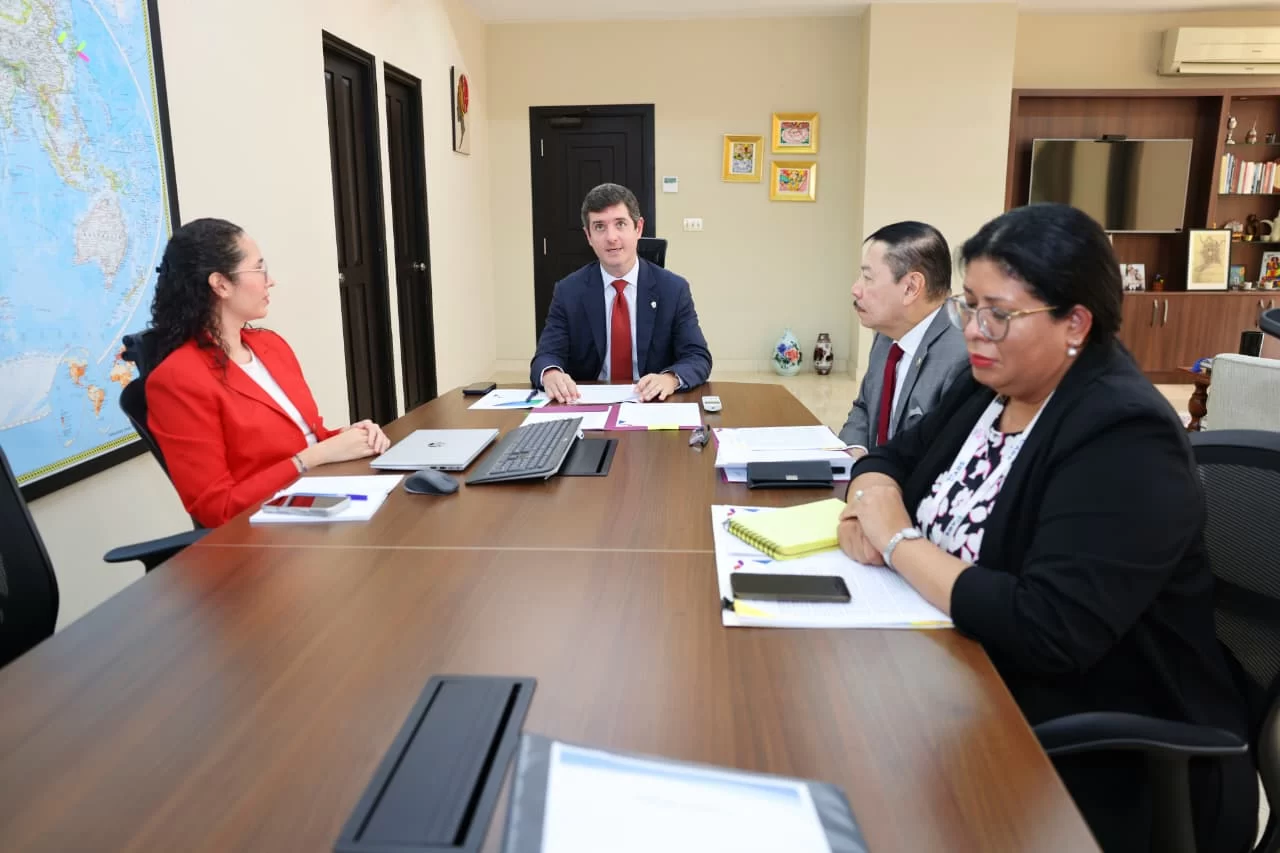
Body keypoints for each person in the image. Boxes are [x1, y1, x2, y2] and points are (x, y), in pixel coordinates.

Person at [836, 204, 1257, 852]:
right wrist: (866, 497)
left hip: (1096, 757)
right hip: (958, 680)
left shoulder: (1124, 434)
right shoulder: (990, 385)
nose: (973, 330)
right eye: (970, 306)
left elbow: (1045, 627)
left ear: (1075, 324)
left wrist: (896, 540)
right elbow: (890, 457)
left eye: (998, 313)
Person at [146, 218, 390, 528]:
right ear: (221, 284)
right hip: (264, 533)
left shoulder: (271, 346)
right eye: (259, 269)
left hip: (318, 501)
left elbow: (306, 438)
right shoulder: (178, 379)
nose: (270, 281)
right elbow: (217, 508)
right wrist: (313, 457)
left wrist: (350, 437)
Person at [530, 183, 712, 402]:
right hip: (589, 403)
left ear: (638, 228)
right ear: (588, 236)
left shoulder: (673, 289)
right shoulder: (568, 291)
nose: (611, 237)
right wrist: (550, 373)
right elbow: (546, 356)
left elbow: (697, 356)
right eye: (599, 226)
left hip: (652, 402)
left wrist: (670, 379)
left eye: (620, 224)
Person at [838, 221, 968, 456]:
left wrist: (876, 472)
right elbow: (864, 407)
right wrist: (855, 453)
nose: (855, 289)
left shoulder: (961, 358)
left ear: (911, 287)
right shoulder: (887, 334)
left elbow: (941, 457)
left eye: (868, 278)